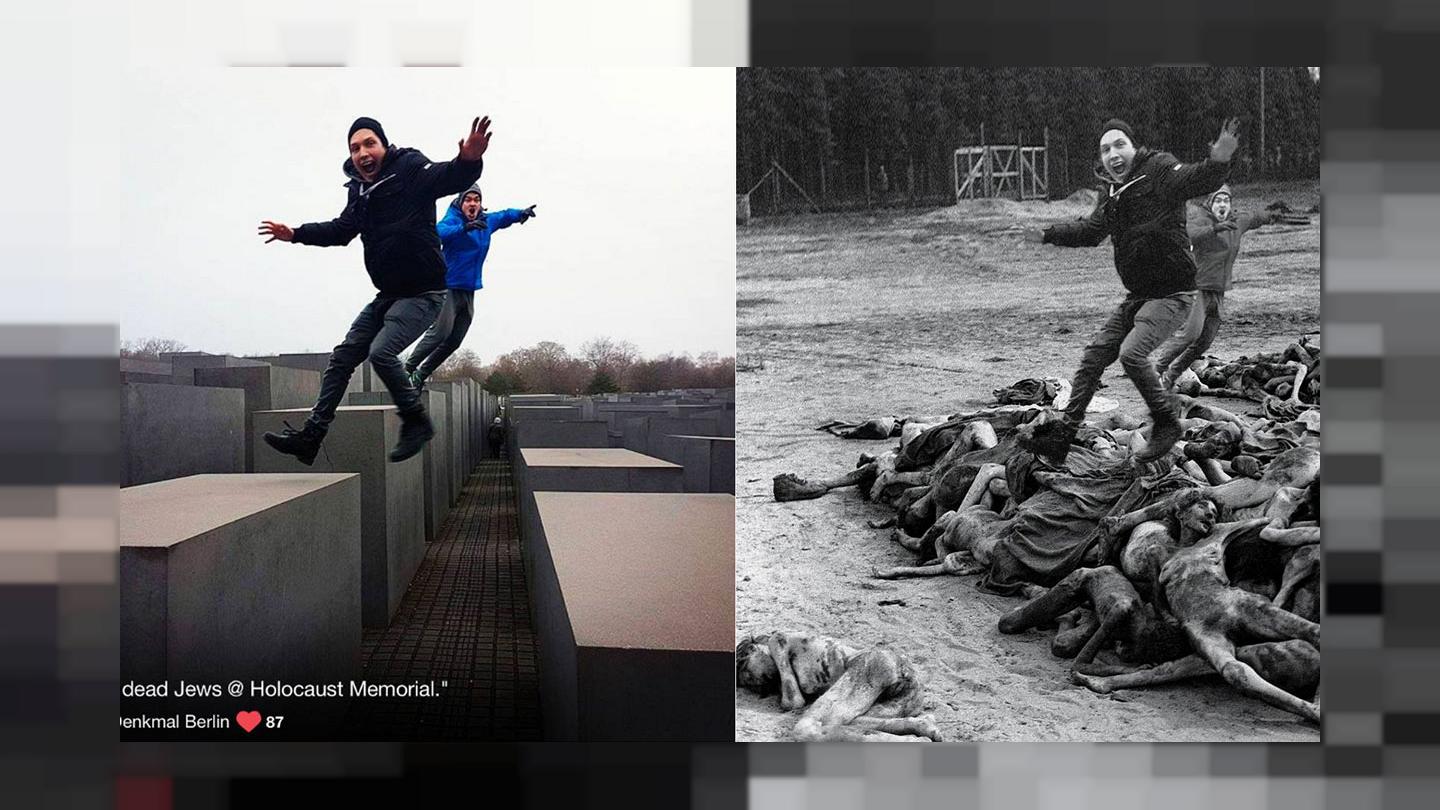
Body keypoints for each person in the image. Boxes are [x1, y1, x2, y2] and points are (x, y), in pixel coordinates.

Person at [257, 115, 492, 464]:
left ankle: (416, 422)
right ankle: (312, 435)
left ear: (383, 145)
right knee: (342, 358)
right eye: (355, 148)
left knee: (382, 353)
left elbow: (449, 177)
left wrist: (469, 160)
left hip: (424, 292)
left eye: (369, 144)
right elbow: (340, 231)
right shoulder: (360, 192)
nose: (362, 153)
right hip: (387, 295)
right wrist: (296, 233)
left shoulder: (409, 168)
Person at [1026, 117, 1241, 464]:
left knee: (1131, 355)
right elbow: (1091, 231)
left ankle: (1167, 422)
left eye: (1118, 144)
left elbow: (1197, 178)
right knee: (1094, 359)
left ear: (1133, 146)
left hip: (1173, 293)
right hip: (1137, 295)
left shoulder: (1158, 169)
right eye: (1105, 148)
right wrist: (1047, 234)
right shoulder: (1111, 193)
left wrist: (1220, 159)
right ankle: (1063, 437)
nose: (1112, 153)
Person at [404, 186, 536, 389]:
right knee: (440, 332)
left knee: (455, 339)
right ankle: (407, 370)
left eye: (476, 200)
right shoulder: (453, 220)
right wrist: (464, 228)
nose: (473, 203)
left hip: (469, 290)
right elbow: (439, 232)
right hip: (448, 287)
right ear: (461, 203)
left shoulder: (486, 222)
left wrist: (520, 214)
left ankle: (421, 375)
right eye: (468, 200)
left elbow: (503, 216)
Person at [1152, 184, 1279, 389]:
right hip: (1198, 289)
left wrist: (1272, 213)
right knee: (1190, 335)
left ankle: (1170, 378)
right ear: (1210, 204)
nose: (1222, 205)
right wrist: (1214, 228)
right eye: (1218, 201)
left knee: (1204, 343)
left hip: (1218, 292)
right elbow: (1190, 234)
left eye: (1226, 201)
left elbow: (1254, 217)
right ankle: (1155, 371)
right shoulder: (1200, 220)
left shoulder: (1237, 223)